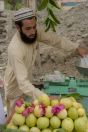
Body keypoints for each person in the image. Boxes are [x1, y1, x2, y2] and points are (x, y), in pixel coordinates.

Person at [4, 8, 88, 120]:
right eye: (28, 28)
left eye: (34, 27)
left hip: (26, 86)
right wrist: (45, 97)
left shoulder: (33, 34)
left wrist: (76, 49)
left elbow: (54, 40)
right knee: (13, 121)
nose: (33, 32)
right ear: (18, 27)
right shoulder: (15, 50)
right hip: (14, 89)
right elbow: (22, 83)